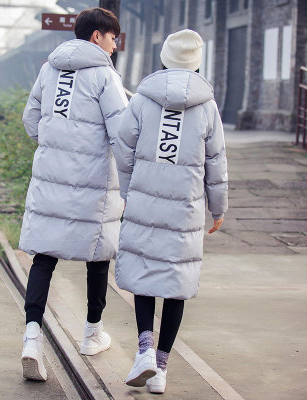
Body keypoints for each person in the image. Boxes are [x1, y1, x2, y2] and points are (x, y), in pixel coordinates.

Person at [114, 29, 228, 394]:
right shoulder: (207, 107)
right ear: (197, 63)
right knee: (176, 283)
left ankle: (144, 350)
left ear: (163, 59)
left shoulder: (143, 100)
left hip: (145, 201)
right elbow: (216, 162)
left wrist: (128, 188)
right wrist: (218, 207)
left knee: (145, 273)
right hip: (185, 209)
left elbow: (123, 146)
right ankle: (160, 368)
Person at [19, 7, 128, 381]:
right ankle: (92, 333)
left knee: (43, 255)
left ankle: (31, 338)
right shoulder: (104, 76)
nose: (114, 45)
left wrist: (54, 145)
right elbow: (121, 133)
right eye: (112, 37)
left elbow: (31, 119)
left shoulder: (49, 69)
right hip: (93, 181)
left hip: (50, 177)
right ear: (97, 36)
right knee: (98, 254)